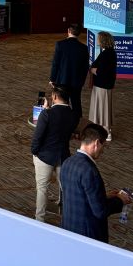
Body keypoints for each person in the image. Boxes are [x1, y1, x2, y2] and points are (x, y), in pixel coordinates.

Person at [60, 124, 131, 242]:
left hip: (68, 226)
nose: (103, 150)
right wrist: (120, 200)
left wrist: (104, 195)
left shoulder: (68, 162)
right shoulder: (89, 171)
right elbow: (100, 211)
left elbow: (77, 193)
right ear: (97, 143)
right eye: (103, 145)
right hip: (88, 234)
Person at [30, 84, 77, 222]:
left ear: (55, 96)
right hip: (63, 155)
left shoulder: (47, 114)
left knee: (42, 188)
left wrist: (34, 152)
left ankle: (40, 218)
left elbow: (37, 137)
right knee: (65, 188)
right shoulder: (73, 115)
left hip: (45, 156)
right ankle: (66, 217)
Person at [48, 24, 90, 121]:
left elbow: (56, 63)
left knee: (61, 104)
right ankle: (78, 126)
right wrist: (81, 81)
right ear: (78, 33)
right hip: (76, 82)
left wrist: (52, 79)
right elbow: (85, 67)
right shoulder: (83, 48)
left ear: (68, 31)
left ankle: (61, 124)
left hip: (62, 81)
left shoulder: (60, 44)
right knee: (76, 104)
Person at [89, 32, 117, 141]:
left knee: (103, 108)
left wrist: (92, 70)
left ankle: (106, 132)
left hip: (102, 85)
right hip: (107, 85)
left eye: (99, 39)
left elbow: (101, 71)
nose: (97, 41)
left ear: (103, 41)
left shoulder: (106, 54)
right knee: (104, 107)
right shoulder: (111, 52)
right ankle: (104, 130)